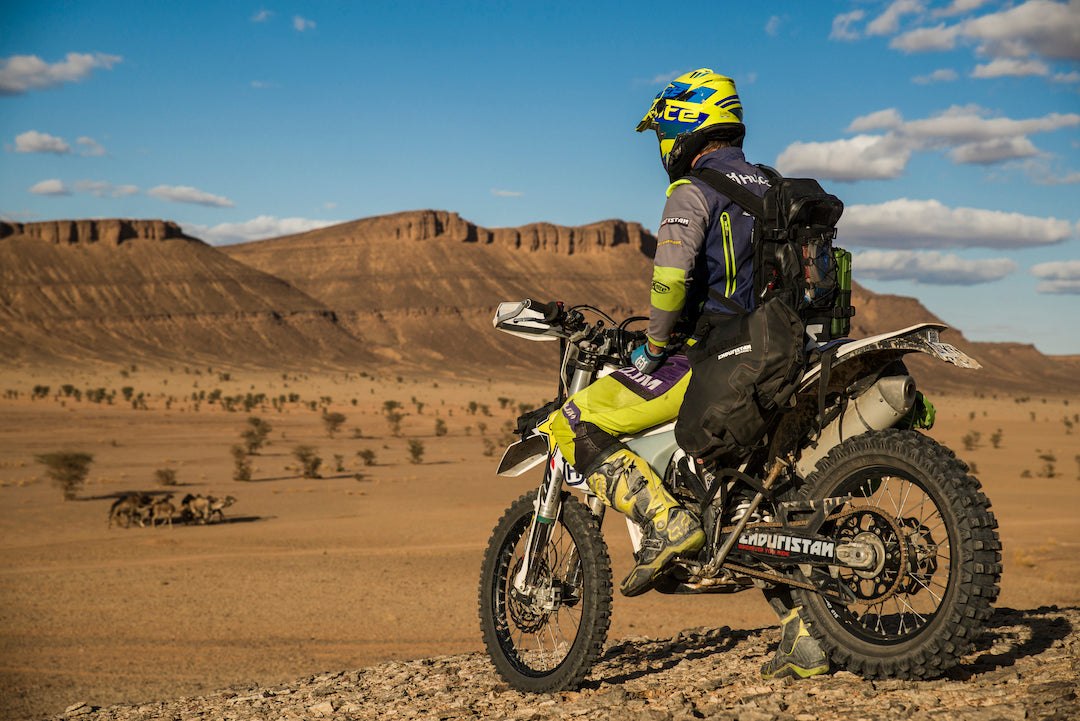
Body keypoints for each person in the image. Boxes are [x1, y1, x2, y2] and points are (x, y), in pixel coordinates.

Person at [542, 68, 829, 680]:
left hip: (715, 354)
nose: (661, 145)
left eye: (663, 129)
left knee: (572, 420)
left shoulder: (694, 189)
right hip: (787, 350)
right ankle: (808, 637)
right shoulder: (774, 186)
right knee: (750, 495)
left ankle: (665, 520)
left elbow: (670, 281)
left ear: (684, 121)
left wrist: (650, 345)